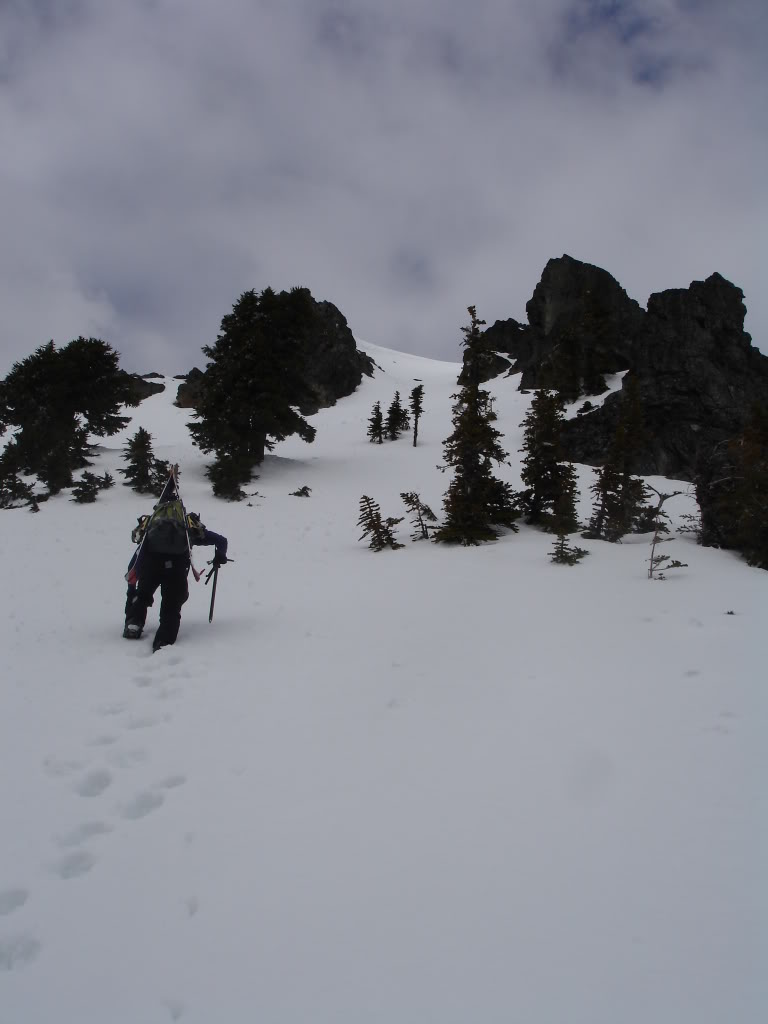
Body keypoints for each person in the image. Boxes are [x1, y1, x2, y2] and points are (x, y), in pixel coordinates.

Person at [123, 495, 228, 652]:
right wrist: (220, 556)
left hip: (151, 565)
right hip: (176, 569)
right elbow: (221, 540)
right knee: (171, 605)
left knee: (143, 596)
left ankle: (134, 622)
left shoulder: (151, 525)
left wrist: (131, 591)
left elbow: (136, 559)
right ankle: (164, 640)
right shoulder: (187, 526)